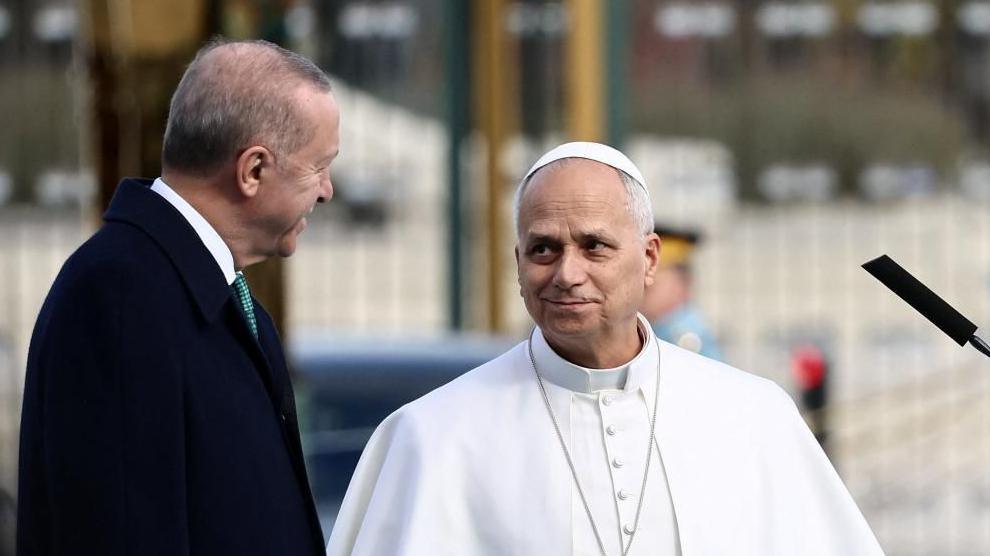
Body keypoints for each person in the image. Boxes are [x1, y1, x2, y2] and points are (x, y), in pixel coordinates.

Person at [326, 142, 882, 555]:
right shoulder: (433, 436)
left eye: (595, 247)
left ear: (648, 258)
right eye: (543, 249)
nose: (567, 273)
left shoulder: (754, 417)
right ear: (517, 265)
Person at [17, 39, 338, 555]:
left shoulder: (206, 294)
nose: (327, 190)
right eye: (318, 166)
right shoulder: (120, 296)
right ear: (253, 170)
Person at [641, 225, 724, 361]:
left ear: (682, 283)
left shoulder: (685, 339)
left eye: (651, 286)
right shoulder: (660, 330)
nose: (641, 292)